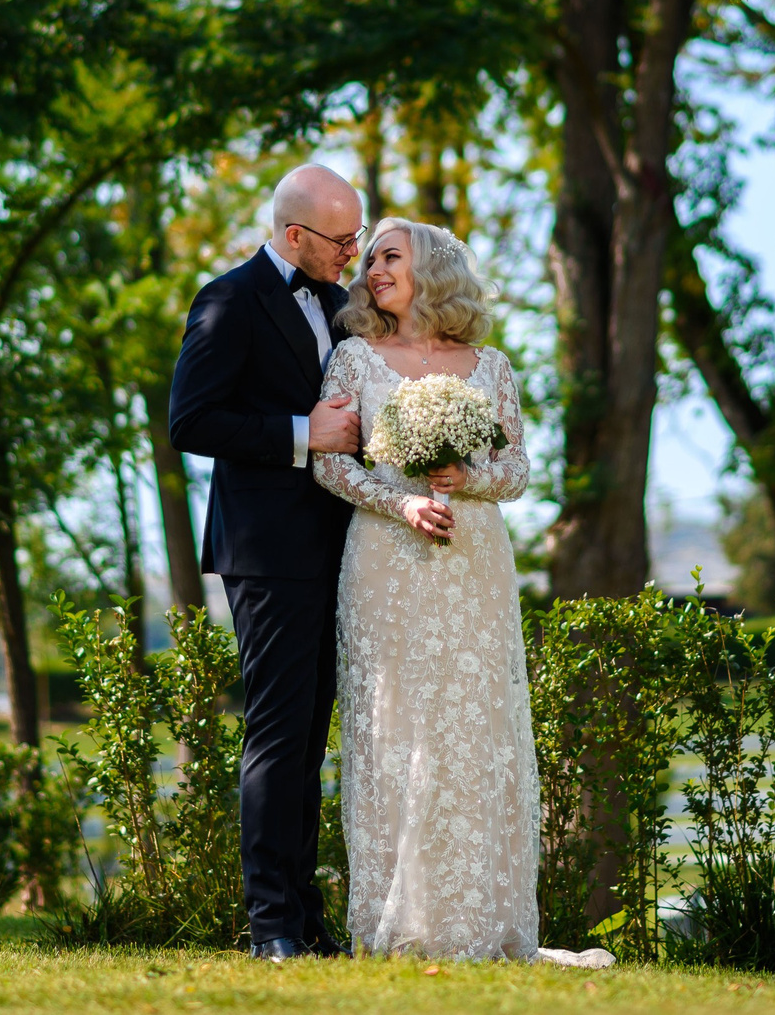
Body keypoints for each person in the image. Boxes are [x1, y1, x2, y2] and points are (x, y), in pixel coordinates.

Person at [310, 218, 545, 960]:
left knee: (472, 727)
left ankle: (479, 920)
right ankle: (402, 916)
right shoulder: (354, 358)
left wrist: (466, 478)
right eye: (370, 258)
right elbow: (330, 466)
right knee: (395, 726)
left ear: (431, 267)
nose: (373, 269)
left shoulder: (491, 366)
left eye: (389, 256)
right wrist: (403, 499)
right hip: (386, 555)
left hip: (472, 560)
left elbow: (518, 470)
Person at [167, 163, 366, 960]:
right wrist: (299, 434)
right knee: (279, 737)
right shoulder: (228, 298)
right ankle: (271, 924)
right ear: (293, 235)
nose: (353, 250)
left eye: (359, 234)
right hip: (268, 553)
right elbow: (192, 418)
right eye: (341, 238)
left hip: (340, 548)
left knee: (311, 738)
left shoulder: (341, 305)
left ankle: (308, 916)